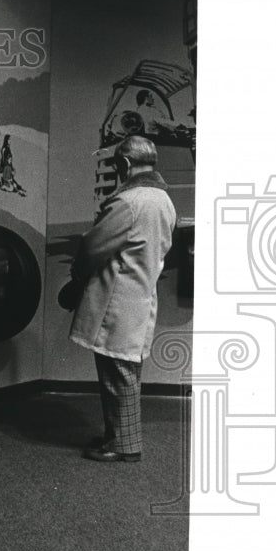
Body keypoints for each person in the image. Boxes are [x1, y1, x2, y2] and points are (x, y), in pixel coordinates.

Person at [69, 135, 176, 462]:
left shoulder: (127, 202)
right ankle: (119, 436)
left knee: (117, 374)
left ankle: (124, 445)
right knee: (125, 370)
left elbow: (92, 248)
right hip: (142, 293)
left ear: (125, 164)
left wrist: (76, 279)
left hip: (117, 298)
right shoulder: (164, 201)